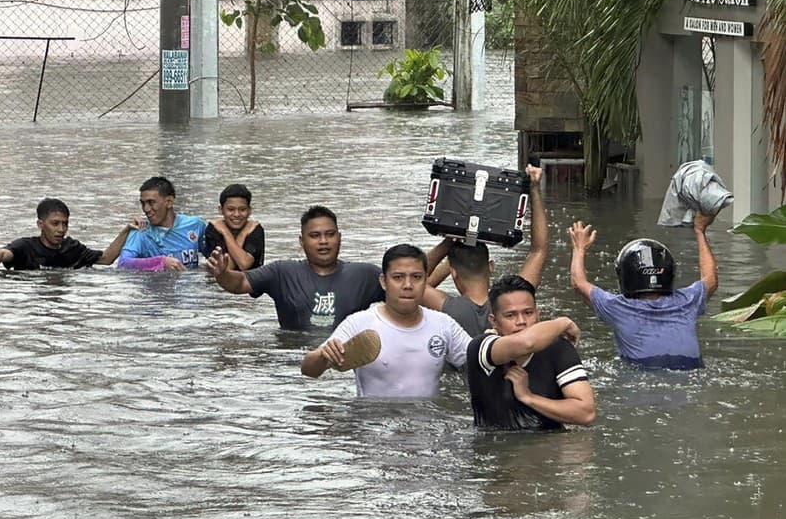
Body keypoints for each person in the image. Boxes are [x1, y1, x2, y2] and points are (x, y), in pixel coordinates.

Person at [301, 244, 471, 397]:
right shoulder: (359, 323)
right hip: (373, 426)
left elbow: (479, 360)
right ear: (383, 282)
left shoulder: (443, 324)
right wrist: (322, 357)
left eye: (416, 277)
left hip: (427, 427)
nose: (408, 285)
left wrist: (491, 341)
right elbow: (309, 370)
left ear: (425, 280)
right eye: (398, 277)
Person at [568, 213, 719, 370]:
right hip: (690, 370)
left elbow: (578, 284)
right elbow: (711, 279)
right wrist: (700, 231)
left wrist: (579, 249)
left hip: (644, 374)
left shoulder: (618, 308)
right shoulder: (687, 302)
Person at [207, 205, 383, 330]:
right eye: (315, 236)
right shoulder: (282, 272)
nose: (323, 241)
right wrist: (222, 274)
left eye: (330, 235)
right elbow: (239, 283)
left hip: (344, 364)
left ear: (339, 238)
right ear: (302, 241)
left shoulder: (365, 275)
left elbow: (404, 299)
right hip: (292, 364)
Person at [422, 164, 547, 337]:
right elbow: (538, 250)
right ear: (491, 266)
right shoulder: (513, 303)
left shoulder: (447, 308)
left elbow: (414, 280)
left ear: (453, 273)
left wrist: (449, 242)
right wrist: (534, 189)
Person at [466, 274, 595, 430]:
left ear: (537, 314)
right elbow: (526, 342)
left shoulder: (558, 349)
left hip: (551, 447)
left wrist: (529, 397)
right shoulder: (481, 347)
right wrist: (563, 322)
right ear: (494, 321)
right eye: (510, 315)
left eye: (528, 313)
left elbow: (586, 413)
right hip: (497, 449)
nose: (521, 321)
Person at [0, 198, 140, 279]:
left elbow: (106, 259)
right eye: (55, 224)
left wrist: (126, 230)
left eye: (65, 224)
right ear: (41, 224)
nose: (61, 230)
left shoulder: (73, 248)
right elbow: (2, 254)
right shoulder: (26, 247)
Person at [118, 177, 206, 271]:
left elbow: (212, 255)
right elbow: (123, 263)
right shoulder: (140, 232)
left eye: (151, 202)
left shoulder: (195, 225)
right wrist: (161, 262)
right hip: (157, 284)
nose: (146, 209)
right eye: (143, 203)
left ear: (169, 202)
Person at [201, 183, 265, 270]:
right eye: (231, 209)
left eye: (242, 209)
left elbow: (244, 264)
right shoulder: (214, 229)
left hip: (251, 281)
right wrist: (227, 232)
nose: (237, 214)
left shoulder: (255, 229)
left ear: (249, 211)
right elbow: (225, 269)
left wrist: (231, 233)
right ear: (221, 210)